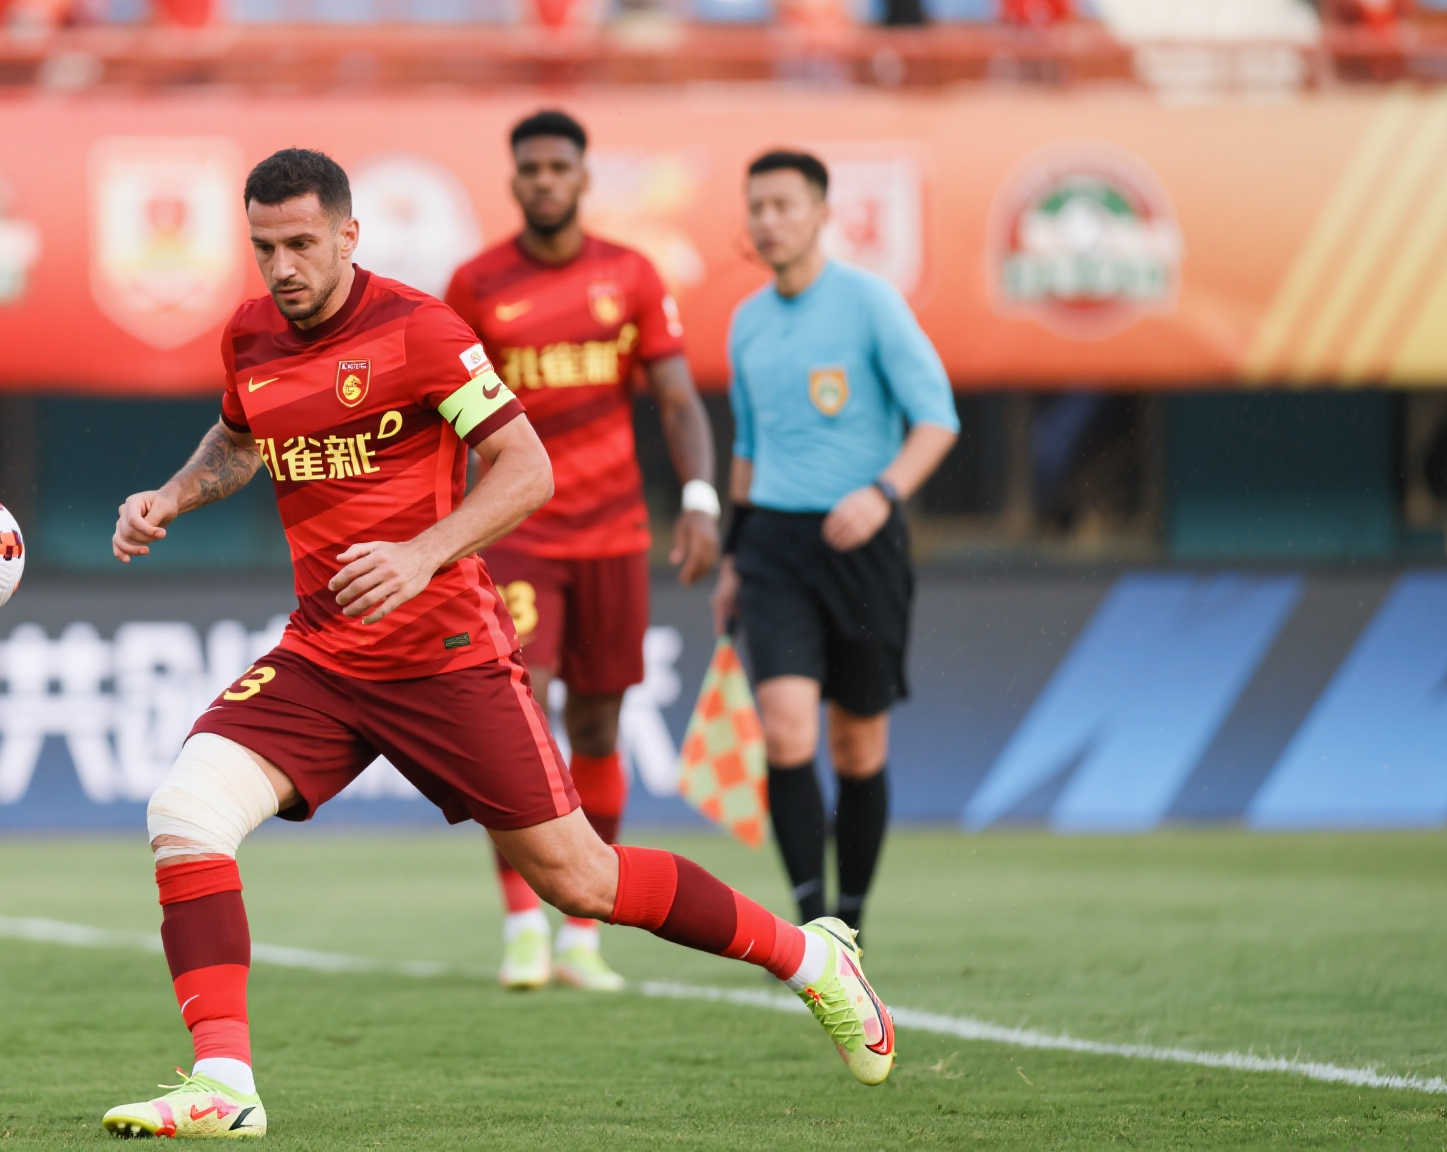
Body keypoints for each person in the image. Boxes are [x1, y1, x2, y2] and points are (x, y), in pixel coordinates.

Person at [102, 148, 894, 1140]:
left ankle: (811, 958)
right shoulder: (250, 334)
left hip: (445, 656)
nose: (282, 267)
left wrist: (421, 553)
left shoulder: (420, 330)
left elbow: (526, 468)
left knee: (581, 880)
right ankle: (224, 1083)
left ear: (349, 235)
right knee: (185, 810)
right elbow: (238, 437)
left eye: (301, 243)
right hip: (326, 654)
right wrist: (171, 496)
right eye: (264, 247)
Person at [444, 109, 720, 994]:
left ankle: (583, 934)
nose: (544, 181)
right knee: (517, 720)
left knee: (598, 723)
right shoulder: (477, 284)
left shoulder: (630, 275)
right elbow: (442, 412)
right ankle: (523, 926)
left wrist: (700, 498)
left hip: (613, 532)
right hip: (516, 530)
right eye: (530, 168)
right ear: (514, 180)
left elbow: (676, 397)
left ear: (582, 177)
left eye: (558, 167)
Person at [711, 149, 959, 947]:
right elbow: (747, 447)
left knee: (858, 744)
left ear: (822, 214)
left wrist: (882, 493)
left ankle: (852, 920)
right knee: (787, 730)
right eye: (757, 206)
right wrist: (732, 556)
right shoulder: (747, 321)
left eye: (784, 205)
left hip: (863, 547)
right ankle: (814, 926)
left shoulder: (869, 303)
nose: (768, 220)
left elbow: (937, 419)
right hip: (773, 547)